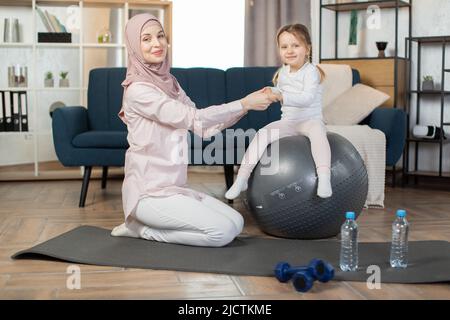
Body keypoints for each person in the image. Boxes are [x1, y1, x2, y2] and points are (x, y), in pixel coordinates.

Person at [111, 13, 278, 247]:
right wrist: (244, 103)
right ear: (134, 46)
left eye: (160, 36)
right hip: (149, 195)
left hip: (175, 189)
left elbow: (203, 126)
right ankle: (141, 229)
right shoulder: (138, 91)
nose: (157, 43)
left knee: (236, 222)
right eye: (146, 39)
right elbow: (193, 118)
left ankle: (141, 226)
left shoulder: (170, 83)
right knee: (221, 233)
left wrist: (245, 107)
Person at [225, 23, 332, 200]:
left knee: (319, 134)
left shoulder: (311, 72)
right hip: (288, 122)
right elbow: (281, 94)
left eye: (295, 45)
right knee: (262, 134)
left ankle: (324, 178)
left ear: (307, 49)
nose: (289, 50)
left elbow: (306, 98)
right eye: (284, 47)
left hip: (310, 120)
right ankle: (242, 178)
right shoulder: (283, 73)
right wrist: (271, 92)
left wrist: (282, 96)